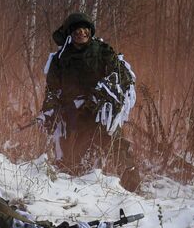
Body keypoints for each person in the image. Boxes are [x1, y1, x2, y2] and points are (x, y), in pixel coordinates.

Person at [38, 13, 141, 192]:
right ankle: (75, 194)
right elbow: (52, 90)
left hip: (102, 113)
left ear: (90, 31)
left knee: (117, 148)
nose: (81, 32)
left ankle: (132, 190)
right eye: (77, 30)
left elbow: (122, 77)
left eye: (85, 29)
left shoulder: (102, 51)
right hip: (73, 115)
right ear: (70, 33)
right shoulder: (60, 58)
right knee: (71, 159)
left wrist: (104, 94)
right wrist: (48, 113)